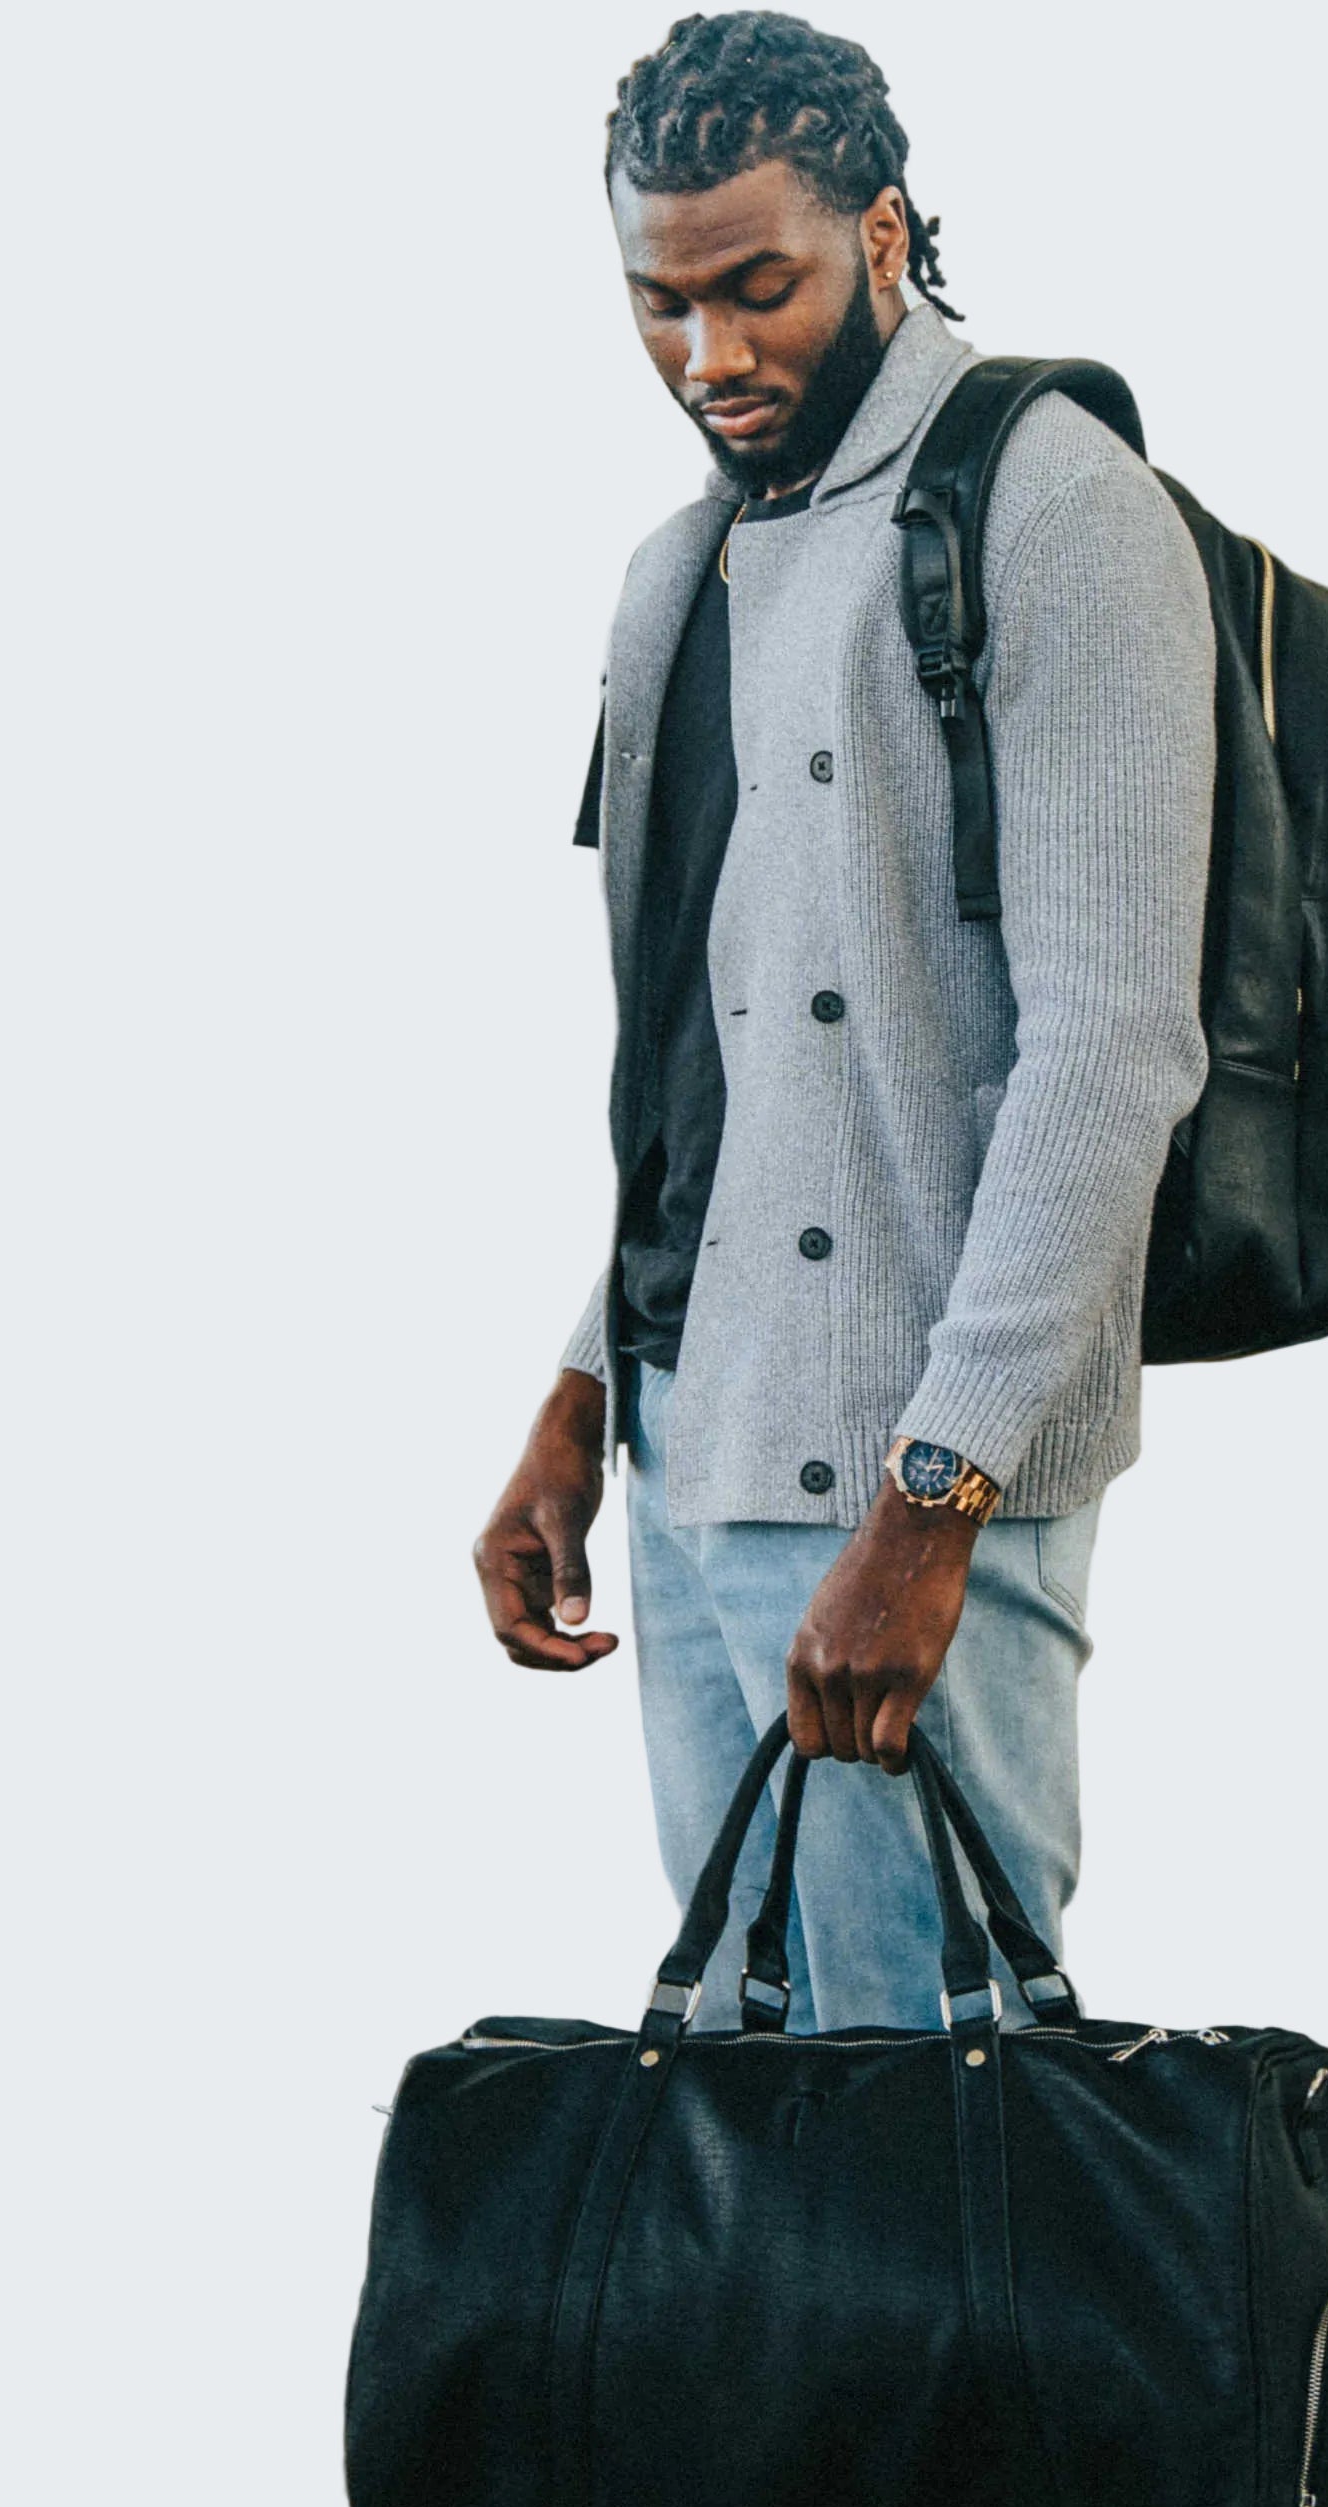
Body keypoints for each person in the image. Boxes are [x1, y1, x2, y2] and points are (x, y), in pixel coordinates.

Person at [473, 11, 1214, 2032]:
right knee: (738, 2132)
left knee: (939, 2114)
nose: (707, 356)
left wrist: (934, 1500)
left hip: (915, 1485)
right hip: (692, 1451)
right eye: (657, 302)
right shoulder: (678, 572)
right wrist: (578, 1399)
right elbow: (711, 1068)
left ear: (883, 234)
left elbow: (1112, 1049)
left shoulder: (1051, 506)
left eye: (756, 287)